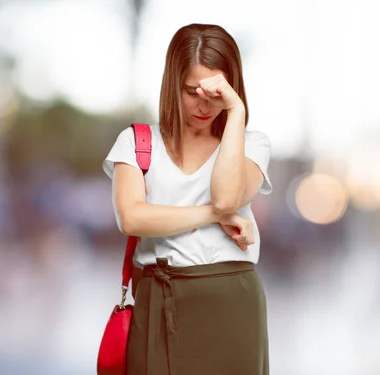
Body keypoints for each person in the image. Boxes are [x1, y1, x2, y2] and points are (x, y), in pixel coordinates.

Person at [102, 23, 272, 375]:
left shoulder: (251, 144)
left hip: (232, 304)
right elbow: (132, 218)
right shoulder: (136, 143)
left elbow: (227, 199)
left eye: (216, 92)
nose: (204, 103)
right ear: (172, 84)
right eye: (192, 90)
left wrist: (237, 112)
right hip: (159, 300)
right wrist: (211, 216)